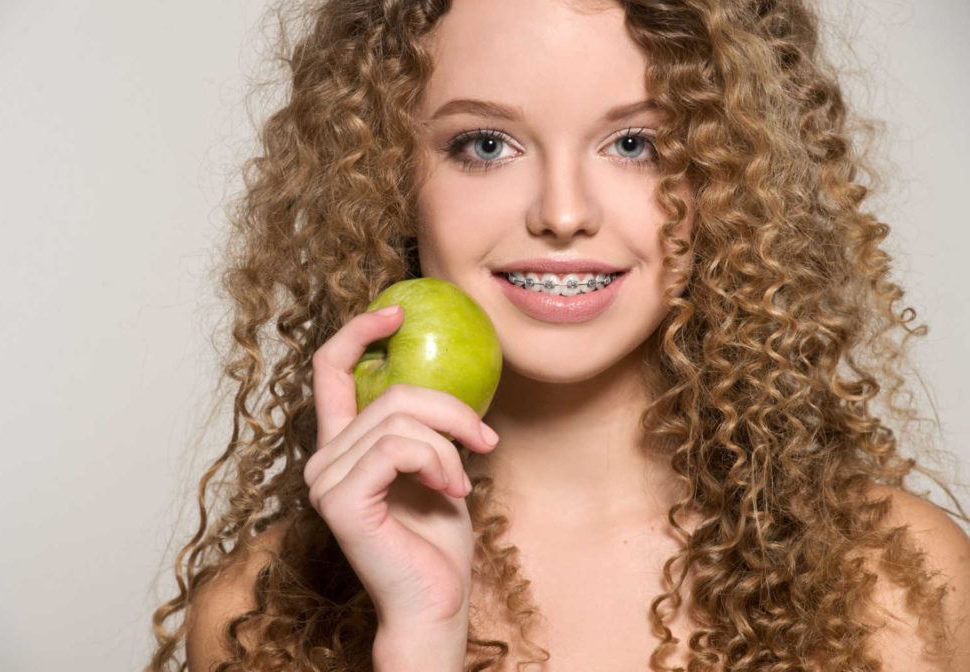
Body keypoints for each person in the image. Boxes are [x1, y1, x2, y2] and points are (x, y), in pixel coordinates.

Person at [147, 0, 970, 670]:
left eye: (638, 144)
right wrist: (419, 639)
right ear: (389, 180)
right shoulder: (256, 616)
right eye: (486, 144)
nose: (564, 213)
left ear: (733, 178)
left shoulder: (904, 583)